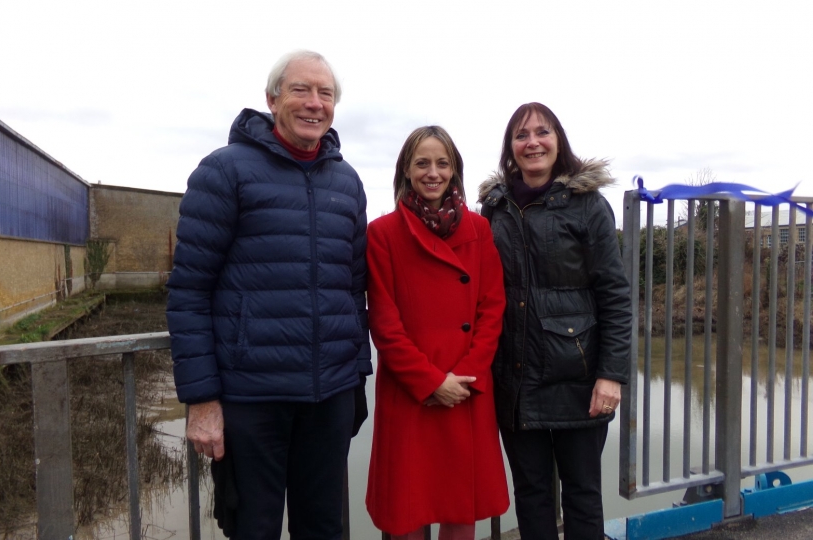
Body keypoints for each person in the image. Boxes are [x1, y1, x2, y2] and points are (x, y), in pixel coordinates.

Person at [166, 50, 370, 540]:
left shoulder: (347, 182)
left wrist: (357, 379)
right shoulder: (224, 172)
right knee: (252, 528)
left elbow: (354, 289)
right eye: (301, 89)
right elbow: (189, 291)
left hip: (329, 396)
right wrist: (202, 400)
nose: (314, 103)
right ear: (272, 98)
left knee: (324, 528)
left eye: (326, 93)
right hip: (252, 398)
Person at [478, 103, 632, 540]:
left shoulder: (588, 206)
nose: (532, 143)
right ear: (510, 148)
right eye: (521, 135)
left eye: (542, 132)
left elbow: (614, 296)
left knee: (582, 494)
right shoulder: (495, 208)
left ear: (558, 140)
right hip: (516, 377)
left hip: (578, 378)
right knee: (531, 493)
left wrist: (611, 375)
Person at [366, 126, 510, 540]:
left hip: (466, 387)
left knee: (459, 508)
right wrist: (430, 382)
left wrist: (466, 376)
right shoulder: (383, 233)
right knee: (407, 513)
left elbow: (492, 308)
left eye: (442, 163)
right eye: (422, 163)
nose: (433, 172)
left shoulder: (479, 230)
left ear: (455, 171)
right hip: (412, 391)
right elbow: (384, 321)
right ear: (406, 171)